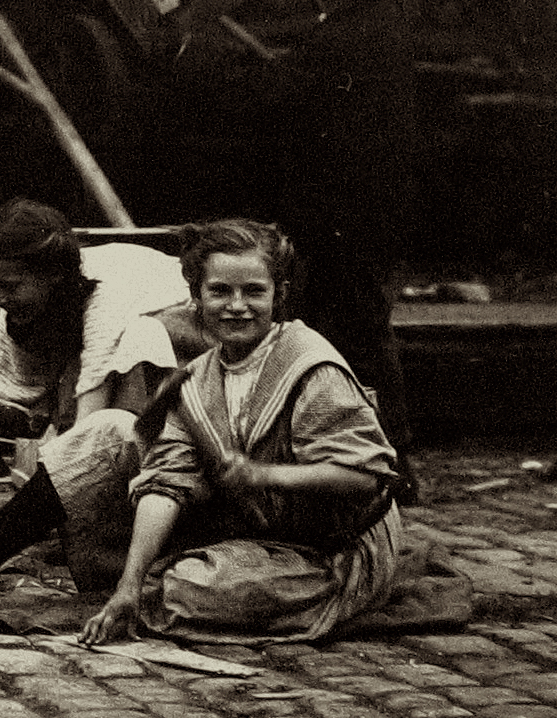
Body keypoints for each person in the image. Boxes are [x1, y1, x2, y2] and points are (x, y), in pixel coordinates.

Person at [78, 219, 465, 646]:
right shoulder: (197, 379)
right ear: (196, 297)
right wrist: (128, 586)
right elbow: (167, 484)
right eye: (220, 291)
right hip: (268, 533)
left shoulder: (309, 366)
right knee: (142, 572)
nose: (237, 306)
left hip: (338, 548)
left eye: (254, 292)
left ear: (278, 296)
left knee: (185, 589)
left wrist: (264, 475)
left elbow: (366, 476)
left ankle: (298, 587)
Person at [0, 197, 200, 617]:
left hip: (184, 398)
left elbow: (89, 438)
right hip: (136, 430)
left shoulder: (109, 304)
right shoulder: (24, 313)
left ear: (55, 277)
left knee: (122, 392)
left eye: (9, 286)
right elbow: (33, 418)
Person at [269, 0, 421, 502]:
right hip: (362, 212)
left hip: (347, 217)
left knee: (355, 334)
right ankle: (372, 459)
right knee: (357, 330)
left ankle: (393, 466)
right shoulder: (383, 13)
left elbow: (282, 91)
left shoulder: (349, 38)